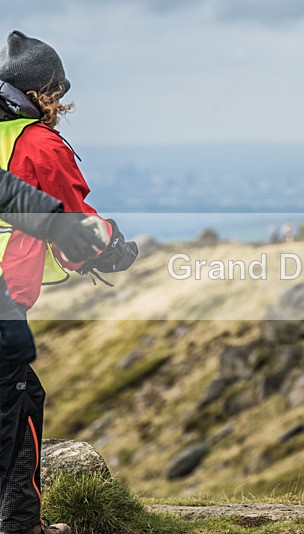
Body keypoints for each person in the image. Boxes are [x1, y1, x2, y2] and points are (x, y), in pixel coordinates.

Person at [0, 30, 137, 534]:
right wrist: (116, 252)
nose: (61, 106)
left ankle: (20, 522)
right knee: (16, 415)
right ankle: (19, 527)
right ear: (42, 93)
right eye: (58, 94)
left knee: (23, 400)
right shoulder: (37, 143)